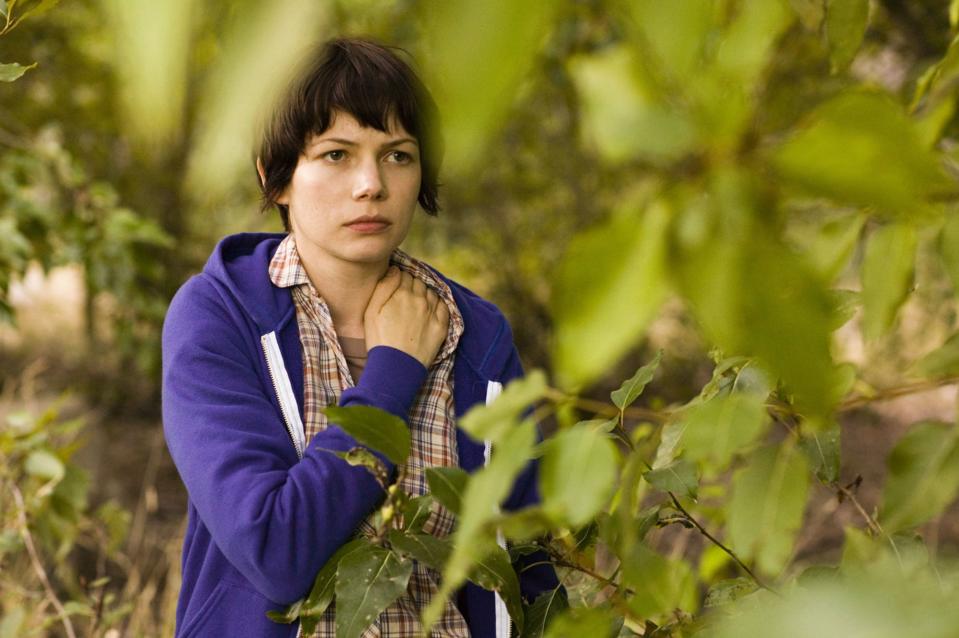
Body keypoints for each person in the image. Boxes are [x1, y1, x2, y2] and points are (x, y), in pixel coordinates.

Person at [161, 37, 559, 638]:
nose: (371, 184)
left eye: (398, 155)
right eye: (337, 155)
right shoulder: (220, 317)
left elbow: (525, 567)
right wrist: (393, 371)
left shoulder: (475, 335)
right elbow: (275, 550)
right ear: (277, 178)